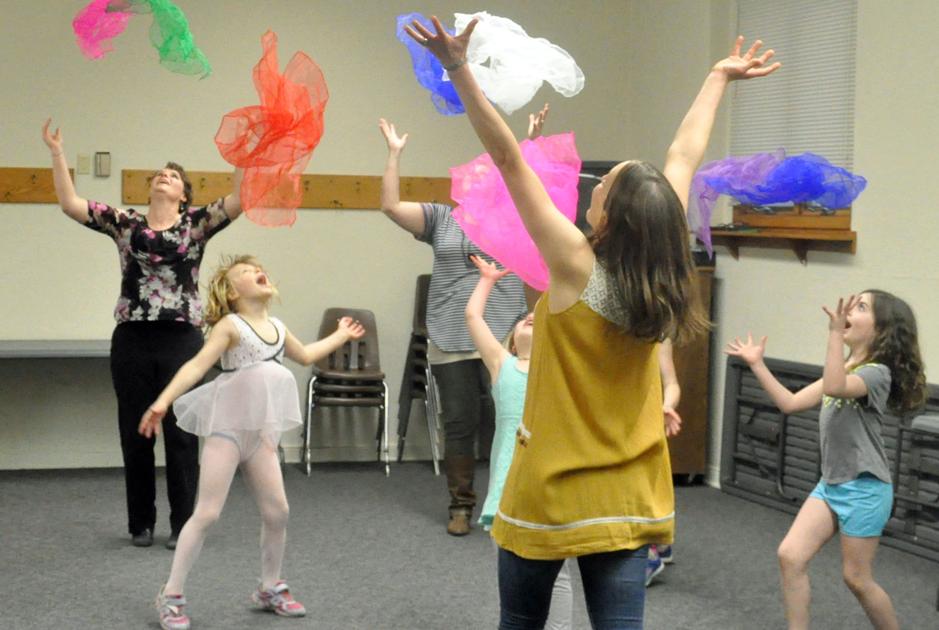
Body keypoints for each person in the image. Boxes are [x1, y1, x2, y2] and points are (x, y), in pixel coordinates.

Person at [406, 18, 779, 628]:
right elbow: (682, 157)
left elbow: (505, 157)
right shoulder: (665, 259)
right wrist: (716, 78)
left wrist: (458, 69)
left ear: (611, 218)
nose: (592, 187)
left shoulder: (577, 266)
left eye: (601, 185)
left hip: (551, 489)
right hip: (630, 492)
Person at [41, 118, 245, 548]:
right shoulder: (126, 224)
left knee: (181, 433)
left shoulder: (196, 224)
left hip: (182, 340)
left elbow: (240, 199)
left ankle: (183, 524)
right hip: (132, 338)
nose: (163, 178)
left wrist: (245, 154)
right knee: (135, 430)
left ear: (184, 193)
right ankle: (141, 524)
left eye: (172, 176)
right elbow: (71, 204)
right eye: (159, 174)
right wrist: (58, 154)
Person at [138, 255, 366, 630]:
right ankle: (171, 594)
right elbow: (197, 366)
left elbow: (306, 355)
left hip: (260, 437)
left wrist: (341, 335)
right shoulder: (231, 325)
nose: (257, 272)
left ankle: (269, 586)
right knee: (207, 513)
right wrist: (162, 402)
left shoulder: (277, 326)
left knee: (278, 512)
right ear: (231, 292)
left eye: (258, 268)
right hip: (227, 432)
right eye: (244, 272)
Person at [377, 111, 542, 535]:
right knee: (460, 422)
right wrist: (394, 155)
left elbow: (532, 188)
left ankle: (513, 501)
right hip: (451, 333)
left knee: (511, 418)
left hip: (504, 334)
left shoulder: (512, 215)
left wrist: (529, 146)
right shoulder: (440, 218)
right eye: (472, 175)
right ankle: (461, 506)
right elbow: (391, 206)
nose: (476, 180)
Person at [725, 291, 926, 630]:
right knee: (790, 556)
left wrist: (834, 335)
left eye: (862, 307)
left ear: (882, 330)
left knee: (857, 579)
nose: (849, 310)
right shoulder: (846, 365)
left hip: (865, 489)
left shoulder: (877, 373)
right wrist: (757, 364)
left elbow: (834, 386)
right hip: (831, 485)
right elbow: (789, 403)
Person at [466, 255, 573, 630]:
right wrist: (487, 280)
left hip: (547, 485)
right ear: (511, 342)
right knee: (513, 578)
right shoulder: (503, 365)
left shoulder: (558, 368)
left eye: (536, 319)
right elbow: (473, 319)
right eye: (523, 320)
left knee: (556, 574)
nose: (529, 319)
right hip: (506, 490)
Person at [646, 339, 682, 586]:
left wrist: (667, 405)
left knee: (647, 487)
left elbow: (671, 383)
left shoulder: (658, 335)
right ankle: (658, 542)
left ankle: (650, 554)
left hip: (648, 422)